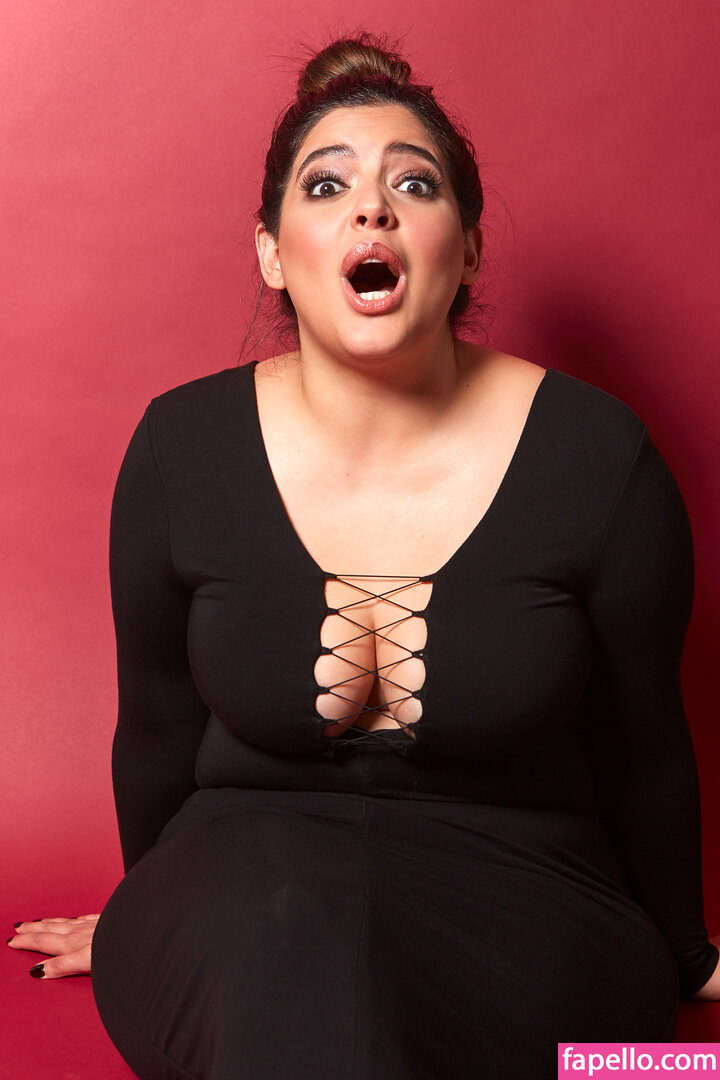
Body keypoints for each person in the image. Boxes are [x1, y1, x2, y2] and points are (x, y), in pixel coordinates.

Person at [7, 32, 720, 1080]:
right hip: (237, 885)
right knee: (294, 949)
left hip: (533, 898)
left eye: (414, 185)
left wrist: (688, 954)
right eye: (327, 184)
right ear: (271, 251)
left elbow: (646, 744)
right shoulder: (179, 448)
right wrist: (151, 911)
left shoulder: (598, 457)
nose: (371, 209)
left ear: (467, 249)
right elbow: (155, 728)